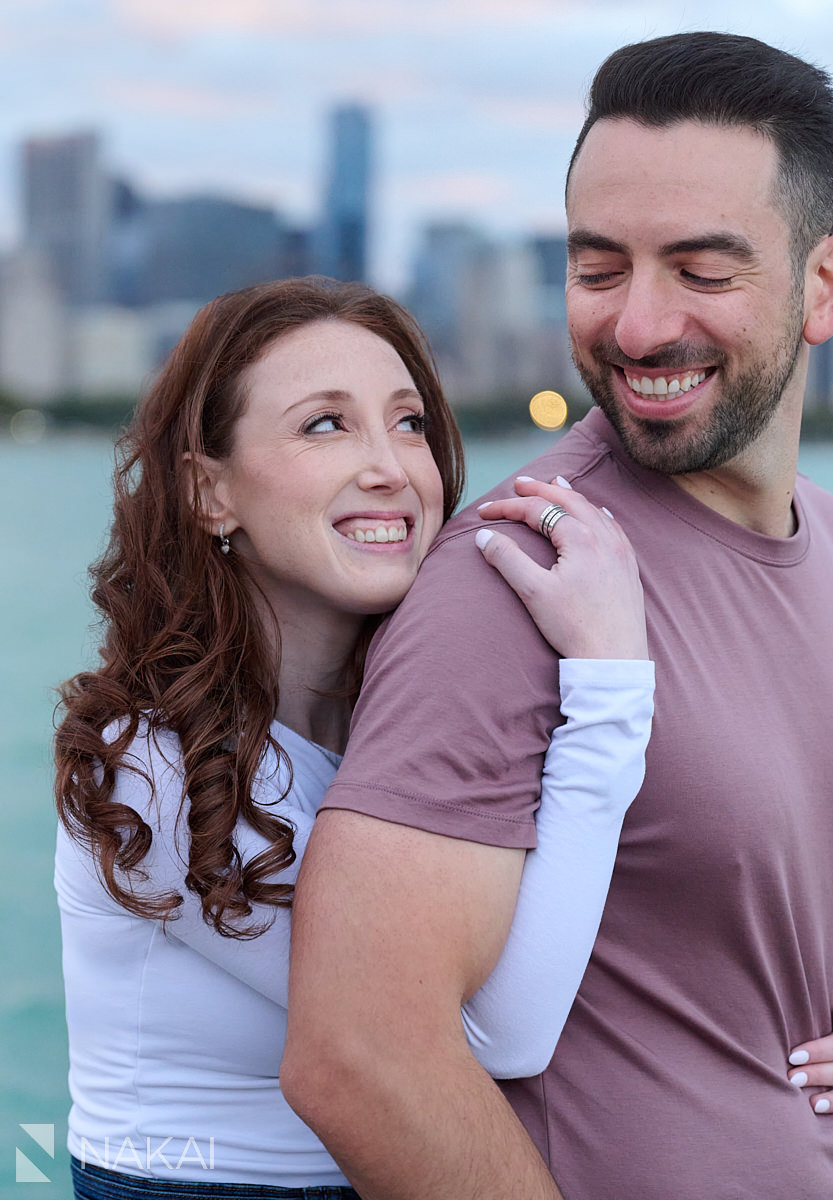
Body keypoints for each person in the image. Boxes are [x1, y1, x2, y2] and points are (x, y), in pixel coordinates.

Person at [282, 32, 833, 1200]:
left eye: (698, 270)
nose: (635, 329)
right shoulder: (516, 576)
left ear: (819, 286)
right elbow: (359, 1059)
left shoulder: (826, 547)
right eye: (596, 269)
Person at [54, 276, 653, 1199]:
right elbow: (488, 1037)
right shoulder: (152, 764)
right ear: (210, 491)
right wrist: (609, 686)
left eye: (408, 422)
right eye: (324, 425)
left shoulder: (409, 722)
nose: (391, 467)